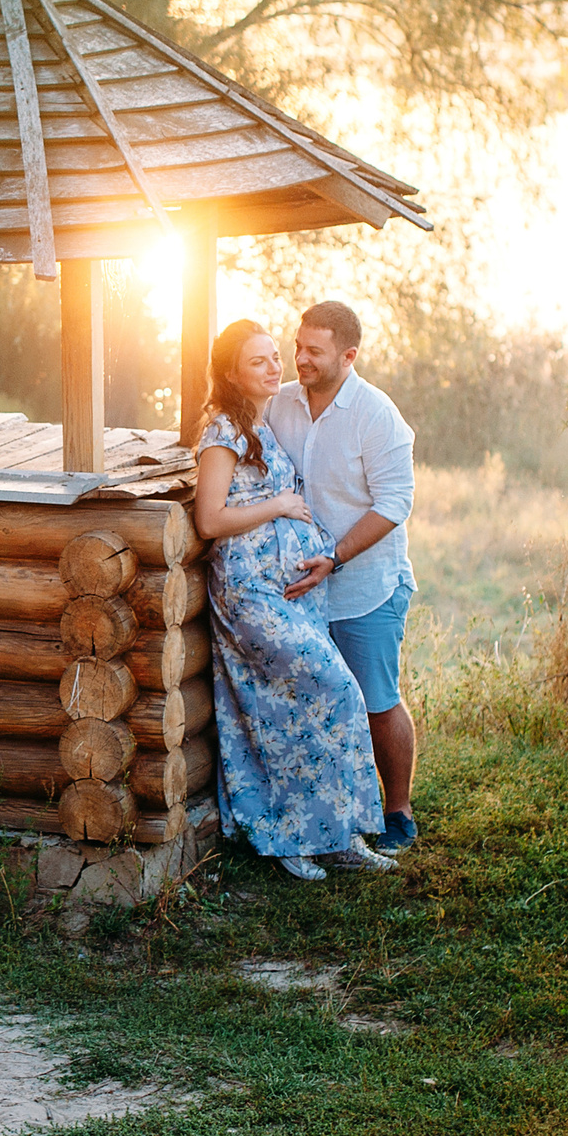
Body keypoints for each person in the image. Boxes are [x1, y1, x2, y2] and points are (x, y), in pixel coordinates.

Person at [192, 318, 395, 881]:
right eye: (258, 361)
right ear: (231, 372)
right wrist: (278, 507)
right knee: (332, 689)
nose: (276, 367)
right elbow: (210, 519)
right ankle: (289, 836)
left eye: (276, 356)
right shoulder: (224, 432)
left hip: (285, 592)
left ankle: (338, 835)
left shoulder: (266, 421)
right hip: (248, 595)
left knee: (301, 708)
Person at [269, 300, 420, 853]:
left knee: (376, 700)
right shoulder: (279, 403)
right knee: (312, 702)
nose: (299, 358)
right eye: (298, 345)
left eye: (314, 350)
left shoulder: (377, 416)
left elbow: (394, 503)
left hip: (364, 587)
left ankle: (398, 810)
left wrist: (334, 555)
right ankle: (328, 813)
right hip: (296, 588)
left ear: (348, 356)